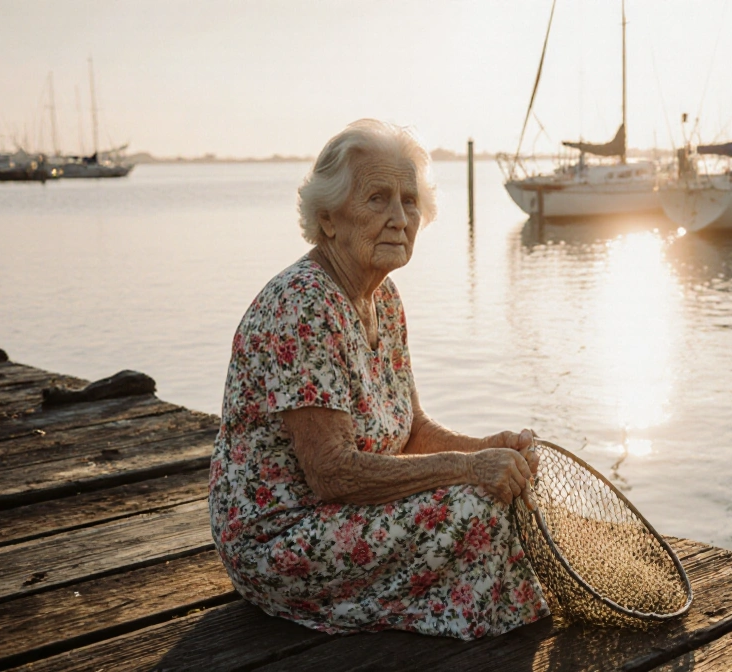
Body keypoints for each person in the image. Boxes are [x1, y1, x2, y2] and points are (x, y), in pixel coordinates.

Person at [209, 119, 548, 640]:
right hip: (281, 538)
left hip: (346, 513)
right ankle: (489, 629)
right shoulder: (302, 305)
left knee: (505, 493)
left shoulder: (382, 298)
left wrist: (490, 448)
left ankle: (485, 618)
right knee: (475, 509)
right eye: (377, 199)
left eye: (409, 201)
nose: (399, 218)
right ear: (327, 219)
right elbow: (331, 473)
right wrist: (467, 468)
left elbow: (410, 433)